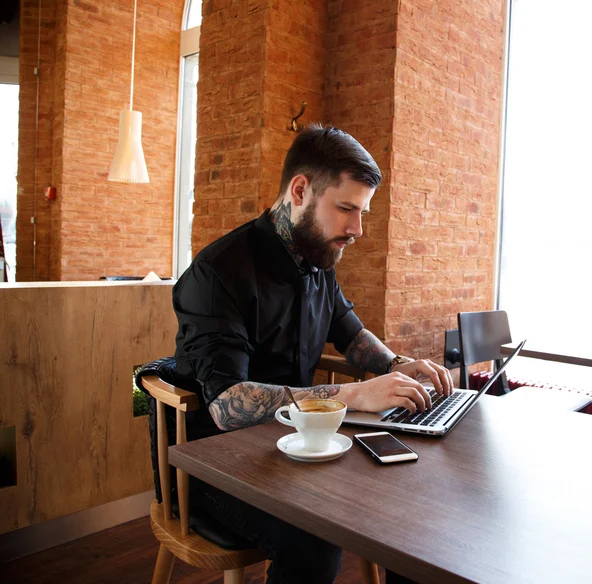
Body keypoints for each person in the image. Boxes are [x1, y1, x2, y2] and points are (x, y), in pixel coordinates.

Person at [173, 124, 454, 584]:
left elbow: (352, 334)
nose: (357, 229)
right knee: (315, 542)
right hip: (220, 465)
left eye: (361, 212)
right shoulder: (217, 273)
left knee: (412, 508)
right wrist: (352, 396)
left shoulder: (316, 258)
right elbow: (226, 404)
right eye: (346, 209)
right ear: (300, 190)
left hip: (305, 447)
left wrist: (399, 365)